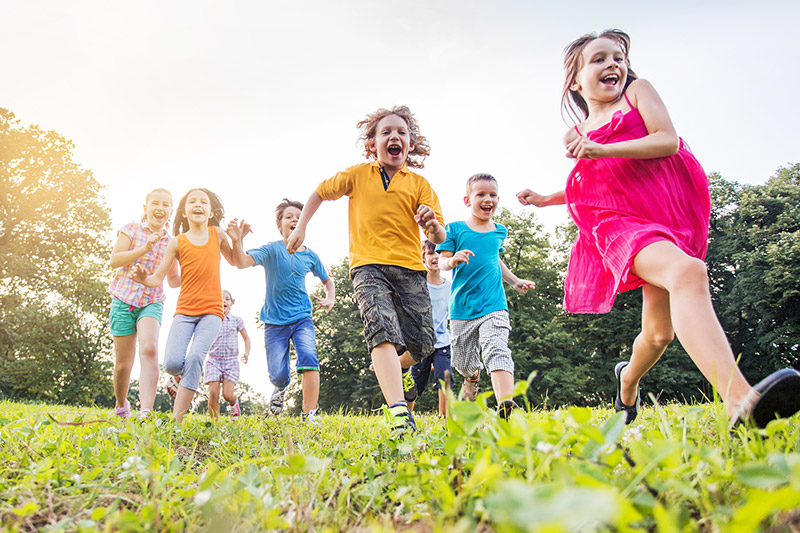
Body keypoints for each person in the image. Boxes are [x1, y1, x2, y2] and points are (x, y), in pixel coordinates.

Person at [517, 29, 800, 428]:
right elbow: (597, 181)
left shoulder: (638, 93)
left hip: (666, 214)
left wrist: (602, 149)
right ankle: (741, 400)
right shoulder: (576, 134)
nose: (613, 64)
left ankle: (626, 378)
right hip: (614, 224)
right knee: (687, 272)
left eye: (618, 57)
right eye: (598, 59)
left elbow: (666, 140)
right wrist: (548, 198)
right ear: (576, 81)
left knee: (658, 334)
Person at [286, 105, 446, 433]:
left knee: (423, 344)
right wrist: (301, 226)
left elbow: (439, 235)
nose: (394, 137)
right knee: (381, 331)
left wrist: (431, 224)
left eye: (401, 132)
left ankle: (396, 370)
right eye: (385, 132)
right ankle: (399, 412)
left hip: (410, 269)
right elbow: (319, 192)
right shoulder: (357, 175)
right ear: (372, 143)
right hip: (367, 267)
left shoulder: (419, 184)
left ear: (411, 143)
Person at [133, 188, 235, 423]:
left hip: (212, 311)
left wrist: (239, 239)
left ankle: (176, 422)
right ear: (184, 211)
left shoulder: (217, 234)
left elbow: (235, 260)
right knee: (171, 363)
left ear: (210, 211)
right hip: (185, 312)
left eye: (203, 201)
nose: (198, 204)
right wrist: (142, 279)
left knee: (196, 358)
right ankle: (177, 378)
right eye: (192, 201)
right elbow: (159, 279)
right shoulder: (176, 242)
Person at [228, 199, 334, 424]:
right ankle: (280, 388)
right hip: (275, 322)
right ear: (280, 225)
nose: (295, 219)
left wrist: (330, 297)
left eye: (299, 216)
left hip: (302, 318)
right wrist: (238, 241)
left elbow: (327, 280)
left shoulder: (310, 256)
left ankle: (310, 415)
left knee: (309, 357)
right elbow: (241, 262)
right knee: (278, 374)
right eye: (289, 217)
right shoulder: (272, 249)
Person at [438, 174, 535, 419]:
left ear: (498, 199)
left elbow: (495, 260)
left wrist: (514, 281)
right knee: (462, 362)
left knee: (497, 347)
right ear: (467, 199)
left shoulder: (499, 232)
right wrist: (452, 260)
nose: (487, 199)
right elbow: (441, 262)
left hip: (494, 305)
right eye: (480, 194)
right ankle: (472, 377)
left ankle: (506, 405)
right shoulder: (455, 229)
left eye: (492, 194)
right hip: (462, 309)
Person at [108, 188, 179, 420]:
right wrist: (145, 248)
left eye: (166, 205)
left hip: (152, 301)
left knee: (149, 348)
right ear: (145, 207)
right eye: (155, 204)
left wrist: (201, 265)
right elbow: (114, 260)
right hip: (123, 299)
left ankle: (145, 411)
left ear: (170, 211)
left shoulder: (172, 242)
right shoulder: (131, 229)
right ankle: (121, 405)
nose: (160, 208)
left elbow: (174, 279)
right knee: (122, 366)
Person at [408, 239, 452, 417]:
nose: (436, 257)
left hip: (442, 343)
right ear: (423, 257)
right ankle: (406, 416)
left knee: (445, 378)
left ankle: (444, 417)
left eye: (439, 253)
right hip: (420, 343)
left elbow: (451, 316)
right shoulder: (417, 285)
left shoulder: (449, 286)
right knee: (415, 383)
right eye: (431, 253)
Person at [204, 289, 251, 419]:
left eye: (227, 299)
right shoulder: (210, 320)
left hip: (231, 361)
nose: (224, 301)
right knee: (213, 392)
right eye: (220, 298)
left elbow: (246, 338)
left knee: (227, 394)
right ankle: (215, 423)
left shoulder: (236, 320)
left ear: (231, 303)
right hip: (214, 360)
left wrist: (246, 353)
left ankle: (233, 402)